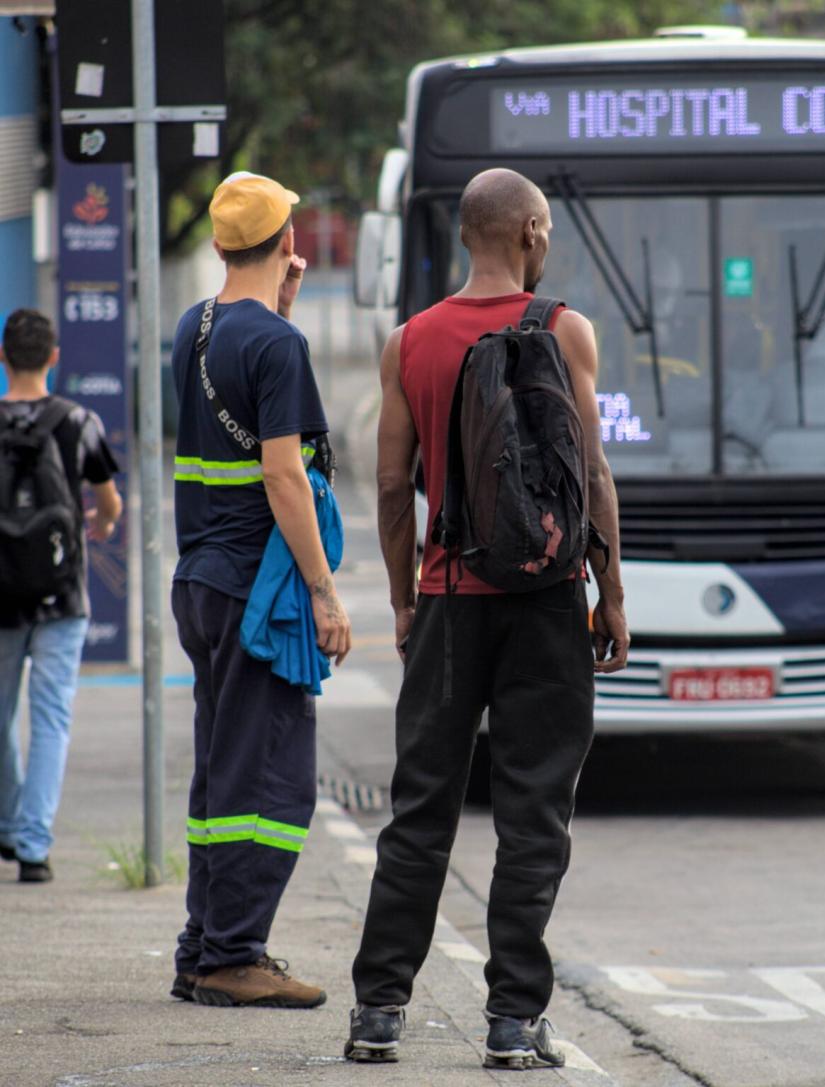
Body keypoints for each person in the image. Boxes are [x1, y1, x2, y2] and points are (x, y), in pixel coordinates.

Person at [346, 168, 628, 1068]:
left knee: (420, 807)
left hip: (448, 598)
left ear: (468, 236)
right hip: (546, 603)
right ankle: (512, 1020)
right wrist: (608, 593)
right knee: (533, 811)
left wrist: (403, 595)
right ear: (533, 233)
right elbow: (590, 475)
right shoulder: (566, 331)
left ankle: (379, 1009)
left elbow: (393, 485)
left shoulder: (410, 342)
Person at [169, 172, 351, 1009]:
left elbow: (239, 403)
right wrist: (324, 591)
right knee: (271, 778)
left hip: (200, 583)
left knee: (221, 770)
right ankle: (233, 956)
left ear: (217, 244)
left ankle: (202, 946)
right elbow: (283, 473)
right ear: (285, 242)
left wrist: (277, 302)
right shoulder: (277, 346)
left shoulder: (194, 328)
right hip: (256, 593)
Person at [0, 309, 123, 884]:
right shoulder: (79, 420)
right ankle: (33, 846)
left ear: (3, 358)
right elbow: (109, 501)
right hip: (62, 595)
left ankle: (7, 823)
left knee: (1, 718)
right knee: (50, 718)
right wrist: (99, 521)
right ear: (54, 357)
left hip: (1, 597)